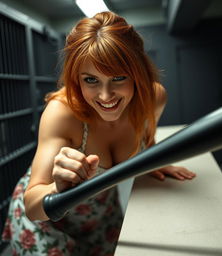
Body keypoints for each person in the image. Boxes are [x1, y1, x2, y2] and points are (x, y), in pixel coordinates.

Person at [2, 11, 196, 256]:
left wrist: (153, 160)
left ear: (138, 72)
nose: (106, 96)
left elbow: (148, 139)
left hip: (101, 215)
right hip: (45, 224)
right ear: (76, 79)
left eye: (118, 77)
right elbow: (32, 205)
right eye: (91, 80)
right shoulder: (62, 113)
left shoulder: (153, 98)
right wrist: (57, 189)